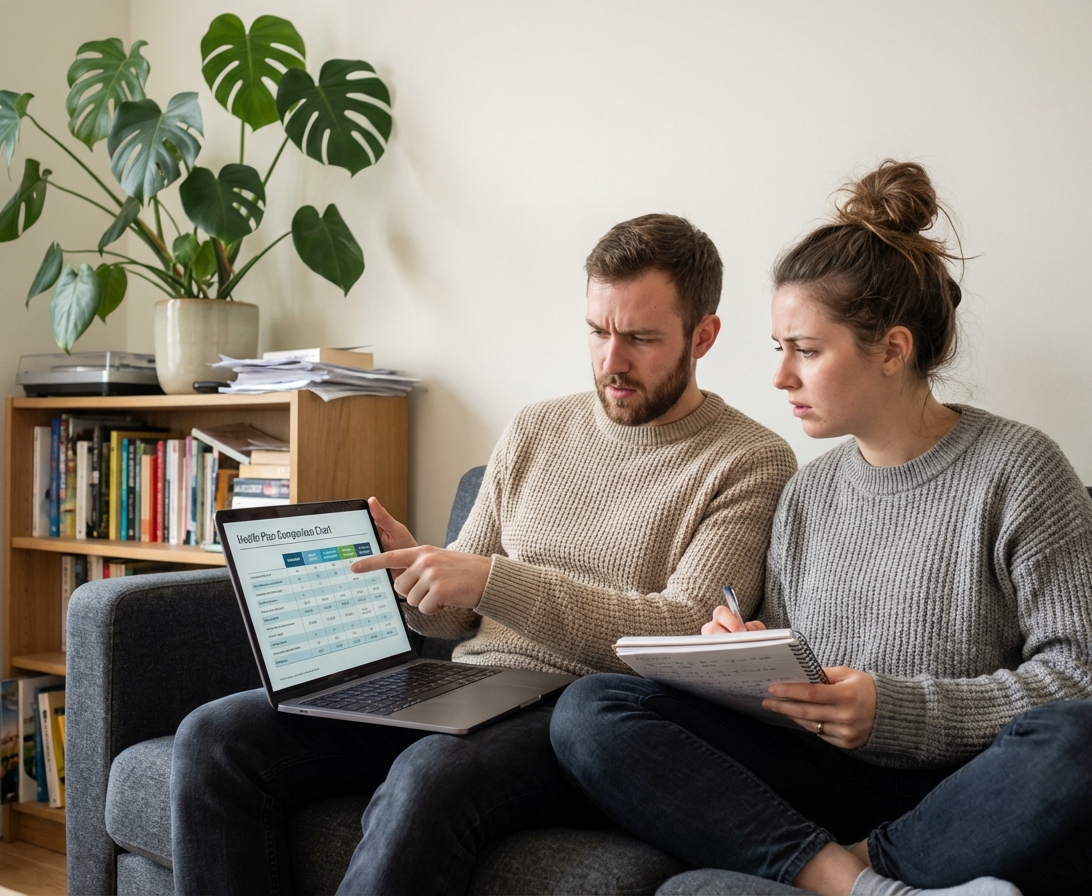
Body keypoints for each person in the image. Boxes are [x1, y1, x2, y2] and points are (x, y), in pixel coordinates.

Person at [551, 162, 1092, 896]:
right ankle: (851, 882)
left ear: (893, 351)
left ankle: (852, 869)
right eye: (779, 348)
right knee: (592, 710)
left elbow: (1091, 680)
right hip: (817, 782)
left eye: (805, 351)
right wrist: (739, 666)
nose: (781, 377)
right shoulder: (807, 492)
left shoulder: (1020, 470)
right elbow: (793, 682)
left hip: (967, 791)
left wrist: (892, 711)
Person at [170, 213, 797, 895]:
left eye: (641, 338)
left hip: (584, 718)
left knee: (429, 774)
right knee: (216, 737)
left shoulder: (749, 460)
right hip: (464, 687)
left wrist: (492, 581)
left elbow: (683, 633)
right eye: (597, 331)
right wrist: (419, 576)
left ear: (703, 336)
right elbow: (451, 623)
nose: (611, 362)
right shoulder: (536, 427)